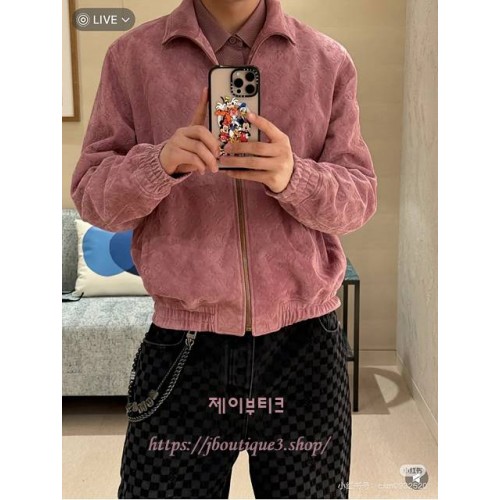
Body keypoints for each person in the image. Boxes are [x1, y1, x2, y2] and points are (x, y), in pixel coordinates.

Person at [71, 0, 377, 497]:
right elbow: (92, 198)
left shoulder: (327, 60)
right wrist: (158, 165)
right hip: (183, 347)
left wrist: (294, 177)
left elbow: (359, 200)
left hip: (303, 348)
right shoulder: (132, 58)